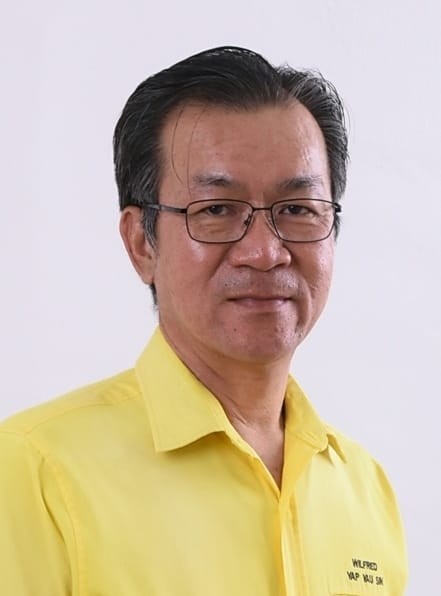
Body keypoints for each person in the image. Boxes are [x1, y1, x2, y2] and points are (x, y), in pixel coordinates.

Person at [0, 47, 407, 595]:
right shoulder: (35, 471)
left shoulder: (364, 487)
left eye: (297, 209)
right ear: (142, 242)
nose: (265, 252)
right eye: (216, 210)